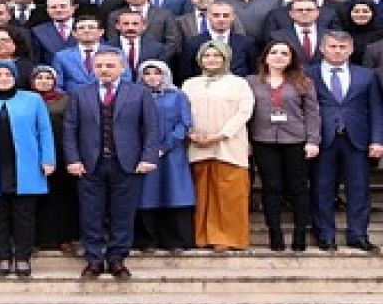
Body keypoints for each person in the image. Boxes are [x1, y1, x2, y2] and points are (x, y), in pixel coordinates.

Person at [65, 49, 159, 278]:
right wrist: (73, 159)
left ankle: (117, 258)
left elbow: (151, 128)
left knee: (123, 213)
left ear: (122, 68)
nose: (104, 70)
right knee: (90, 213)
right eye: (99, 66)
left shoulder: (139, 93)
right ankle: (94, 259)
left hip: (127, 162)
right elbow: (70, 129)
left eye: (109, 65)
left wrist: (148, 157)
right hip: (90, 163)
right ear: (92, 68)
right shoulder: (80, 94)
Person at [0, 59, 55, 277]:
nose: (4, 78)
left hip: (26, 164)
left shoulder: (33, 100)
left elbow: (44, 130)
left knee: (24, 214)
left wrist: (48, 159)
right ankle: (3, 256)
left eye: (8, 74)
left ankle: (23, 257)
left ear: (15, 77)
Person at [308, 30, 383, 252]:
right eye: (332, 47)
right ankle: (325, 235)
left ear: (351, 50)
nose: (337, 51)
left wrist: (377, 140)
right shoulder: (308, 73)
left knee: (359, 189)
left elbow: (376, 109)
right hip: (322, 139)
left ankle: (358, 235)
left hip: (357, 140)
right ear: (322, 49)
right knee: (322, 188)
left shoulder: (366, 75)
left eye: (342, 47)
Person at [247, 41, 320, 252]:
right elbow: (245, 112)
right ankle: (275, 234)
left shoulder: (303, 81)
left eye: (284, 53)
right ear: (265, 57)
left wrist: (313, 140)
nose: (279, 56)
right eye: (274, 52)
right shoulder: (251, 82)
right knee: (271, 187)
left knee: (298, 187)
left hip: (295, 140)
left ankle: (300, 233)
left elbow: (312, 113)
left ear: (291, 58)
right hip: (263, 140)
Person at [182, 40, 255, 251]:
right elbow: (182, 111)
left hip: (229, 145)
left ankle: (229, 238)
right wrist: (191, 133)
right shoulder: (190, 84)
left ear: (225, 59)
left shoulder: (239, 83)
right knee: (202, 193)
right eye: (206, 56)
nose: (211, 60)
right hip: (199, 145)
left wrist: (220, 135)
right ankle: (203, 236)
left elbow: (244, 112)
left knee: (230, 193)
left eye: (216, 56)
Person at [134, 60, 195, 253]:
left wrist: (165, 146)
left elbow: (184, 123)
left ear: (165, 75)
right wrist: (147, 148)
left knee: (173, 193)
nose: (152, 77)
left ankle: (175, 241)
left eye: (157, 73)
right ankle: (147, 240)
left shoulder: (177, 96)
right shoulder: (134, 96)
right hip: (143, 153)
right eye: (147, 73)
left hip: (172, 154)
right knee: (146, 196)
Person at [29, 65, 78, 253]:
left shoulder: (65, 100)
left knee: (60, 197)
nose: (44, 81)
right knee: (34, 199)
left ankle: (63, 237)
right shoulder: (25, 99)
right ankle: (34, 238)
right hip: (31, 154)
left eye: (48, 78)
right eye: (39, 77)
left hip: (60, 152)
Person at [340, 0, 383, 66]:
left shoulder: (380, 33)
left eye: (365, 11)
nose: (361, 15)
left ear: (373, 13)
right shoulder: (342, 32)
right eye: (356, 12)